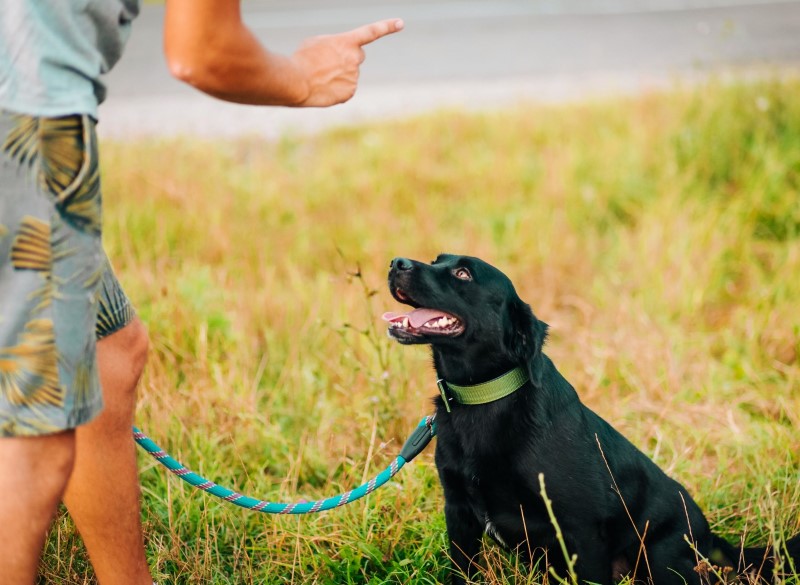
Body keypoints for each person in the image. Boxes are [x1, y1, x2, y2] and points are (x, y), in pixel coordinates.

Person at [0, 1, 403, 583]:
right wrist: (306, 77)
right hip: (27, 125)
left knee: (110, 348)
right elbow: (203, 52)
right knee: (32, 434)